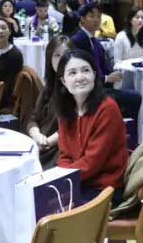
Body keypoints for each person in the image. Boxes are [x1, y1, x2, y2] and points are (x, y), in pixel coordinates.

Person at [54, 49, 129, 204]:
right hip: (79, 181)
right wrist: (62, 179)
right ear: (63, 81)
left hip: (105, 188)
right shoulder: (66, 110)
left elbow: (92, 163)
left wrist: (62, 179)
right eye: (72, 73)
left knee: (54, 211)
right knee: (38, 203)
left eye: (86, 70)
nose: (80, 77)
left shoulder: (107, 108)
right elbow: (64, 155)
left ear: (94, 75)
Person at [70, 4, 141, 121]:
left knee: (132, 91)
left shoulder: (94, 40)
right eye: (91, 16)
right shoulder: (79, 39)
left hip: (101, 86)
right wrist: (106, 78)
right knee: (135, 98)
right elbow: (82, 71)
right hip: (90, 91)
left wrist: (112, 75)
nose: (96, 20)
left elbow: (103, 65)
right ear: (82, 18)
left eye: (98, 16)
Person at [27, 35, 74, 169]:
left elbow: (73, 127)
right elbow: (33, 118)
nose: (61, 59)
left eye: (66, 54)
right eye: (57, 55)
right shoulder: (49, 87)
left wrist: (47, 142)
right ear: (49, 59)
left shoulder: (75, 88)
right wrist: (36, 134)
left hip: (61, 149)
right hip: (40, 144)